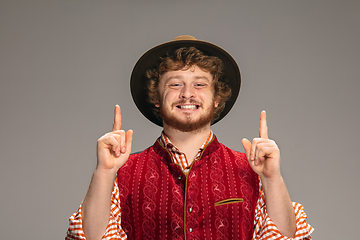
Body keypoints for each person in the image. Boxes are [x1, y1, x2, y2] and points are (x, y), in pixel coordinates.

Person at [66, 36, 313, 240]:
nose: (187, 94)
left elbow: (289, 238)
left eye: (199, 84)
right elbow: (87, 238)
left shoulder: (251, 169)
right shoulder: (122, 171)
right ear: (156, 98)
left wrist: (272, 179)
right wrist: (104, 173)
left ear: (217, 99)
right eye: (174, 85)